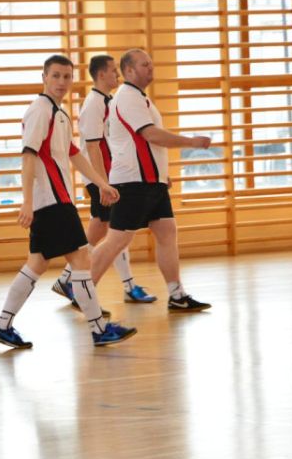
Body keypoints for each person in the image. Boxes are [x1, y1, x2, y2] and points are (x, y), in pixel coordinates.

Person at [0, 55, 138, 349]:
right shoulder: (40, 110)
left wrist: (102, 182)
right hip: (52, 201)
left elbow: (73, 154)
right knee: (81, 260)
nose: (61, 82)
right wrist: (27, 202)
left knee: (37, 263)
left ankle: (2, 325)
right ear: (44, 77)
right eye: (55, 75)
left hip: (56, 200)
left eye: (67, 76)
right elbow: (28, 157)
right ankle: (99, 329)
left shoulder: (60, 113)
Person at [88, 48, 212, 312]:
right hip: (133, 182)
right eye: (145, 64)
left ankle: (176, 294)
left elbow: (147, 144)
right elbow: (151, 135)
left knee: (167, 232)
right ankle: (82, 291)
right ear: (129, 70)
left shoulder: (140, 97)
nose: (151, 68)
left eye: (151, 64)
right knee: (117, 241)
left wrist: (160, 175)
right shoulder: (127, 97)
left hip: (150, 181)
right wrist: (191, 142)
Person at [51, 54, 157, 307]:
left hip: (108, 176)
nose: (117, 75)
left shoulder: (109, 100)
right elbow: (93, 146)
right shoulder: (94, 104)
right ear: (100, 74)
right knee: (118, 231)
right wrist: (102, 183)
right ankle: (128, 286)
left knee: (102, 229)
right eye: (113, 71)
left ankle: (66, 279)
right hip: (100, 176)